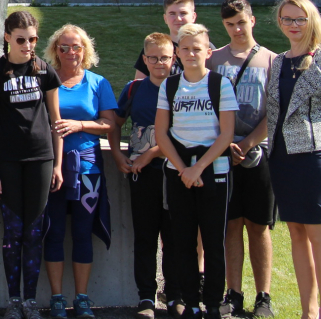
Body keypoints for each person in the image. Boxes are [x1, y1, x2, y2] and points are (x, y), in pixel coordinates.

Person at [265, 0, 321, 319]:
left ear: (312, 20)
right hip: (280, 158)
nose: (293, 25)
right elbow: (274, 113)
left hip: (312, 157)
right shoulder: (278, 62)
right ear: (280, 23)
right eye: (287, 19)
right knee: (296, 233)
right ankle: (307, 312)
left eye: (300, 19)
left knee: (318, 232)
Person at [0, 10, 63, 319]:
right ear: (7, 38)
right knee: (13, 232)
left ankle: (30, 300)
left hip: (41, 159)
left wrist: (56, 165)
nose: (27, 45)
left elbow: (56, 122)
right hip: (8, 161)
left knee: (33, 231)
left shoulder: (45, 71)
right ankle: (13, 300)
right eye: (20, 39)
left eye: (32, 39)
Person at [155, 24, 237, 319]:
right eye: (185, 48)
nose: (191, 53)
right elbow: (162, 134)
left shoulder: (220, 84)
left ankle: (213, 303)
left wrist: (198, 167)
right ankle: (190, 302)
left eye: (197, 49)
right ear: (177, 52)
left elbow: (226, 134)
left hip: (214, 171)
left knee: (214, 242)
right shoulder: (170, 86)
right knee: (183, 241)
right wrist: (183, 169)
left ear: (208, 52)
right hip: (178, 173)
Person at [42, 25, 115, 319]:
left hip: (87, 168)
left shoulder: (98, 83)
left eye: (77, 47)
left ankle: (82, 298)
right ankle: (57, 297)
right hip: (51, 168)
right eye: (64, 47)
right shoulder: (46, 81)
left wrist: (80, 125)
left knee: (83, 233)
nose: (71, 53)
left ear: (86, 50)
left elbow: (110, 123)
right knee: (54, 232)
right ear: (54, 50)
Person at [210, 0, 276, 318]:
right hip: (222, 154)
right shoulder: (214, 59)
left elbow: (274, 112)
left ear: (252, 20)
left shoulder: (271, 61)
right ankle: (233, 292)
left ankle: (264, 296)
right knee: (231, 226)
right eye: (229, 24)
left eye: (241, 22)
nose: (237, 29)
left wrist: (248, 144)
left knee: (258, 226)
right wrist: (224, 145)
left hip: (258, 155)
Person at [109, 33, 175, 319]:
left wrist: (153, 152)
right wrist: (116, 152)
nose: (159, 63)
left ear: (174, 59)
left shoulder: (183, 88)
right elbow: (115, 122)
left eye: (165, 57)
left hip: (174, 173)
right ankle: (146, 297)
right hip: (142, 175)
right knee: (145, 238)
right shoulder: (134, 88)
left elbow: (184, 135)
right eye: (153, 58)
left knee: (174, 238)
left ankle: (175, 296)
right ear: (144, 59)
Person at [134, 0, 196, 81]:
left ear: (193, 17)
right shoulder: (154, 47)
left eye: (183, 13)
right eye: (172, 14)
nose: (178, 18)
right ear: (165, 18)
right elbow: (139, 86)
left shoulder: (204, 48)